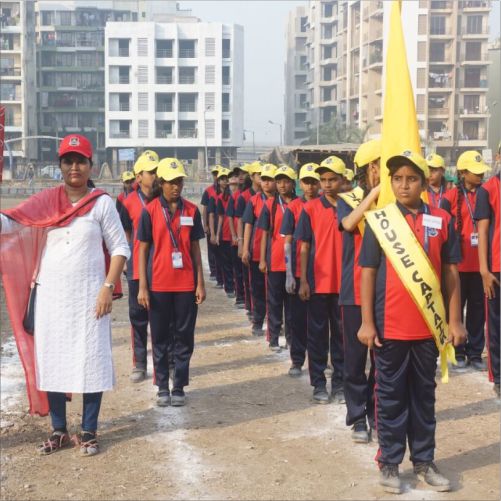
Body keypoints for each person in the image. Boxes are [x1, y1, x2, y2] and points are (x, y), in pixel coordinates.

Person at [0, 134, 129, 456]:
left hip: (90, 299)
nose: (74, 167)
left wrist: (107, 287)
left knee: (92, 361)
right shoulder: (45, 201)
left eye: (80, 161)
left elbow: (120, 248)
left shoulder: (101, 203)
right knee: (53, 361)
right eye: (68, 161)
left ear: (90, 165)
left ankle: (89, 430)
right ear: (59, 166)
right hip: (52, 299)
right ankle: (58, 430)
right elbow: (9, 224)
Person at [358, 149, 465, 494]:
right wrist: (366, 322)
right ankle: (389, 463)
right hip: (389, 327)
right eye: (397, 179)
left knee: (423, 398)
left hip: (428, 329)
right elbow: (367, 273)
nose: (404, 185)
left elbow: (451, 273)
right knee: (390, 398)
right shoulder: (380, 221)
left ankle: (424, 461)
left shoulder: (442, 219)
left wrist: (455, 321)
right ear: (391, 182)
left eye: (412, 179)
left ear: (424, 181)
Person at [137, 158, 206, 407]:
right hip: (159, 285)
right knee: (160, 337)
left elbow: (195, 249)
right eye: (170, 182)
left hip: (186, 284)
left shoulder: (192, 211)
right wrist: (143, 286)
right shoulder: (150, 211)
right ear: (161, 183)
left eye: (179, 181)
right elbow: (143, 250)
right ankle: (162, 387)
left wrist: (200, 282)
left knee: (184, 337)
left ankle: (178, 386)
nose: (175, 186)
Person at [338, 139, 381, 443]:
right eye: (379, 166)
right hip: (353, 290)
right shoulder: (348, 198)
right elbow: (349, 223)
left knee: (381, 360)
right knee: (354, 360)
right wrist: (373, 197)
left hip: (384, 292)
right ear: (369, 168)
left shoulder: (393, 199)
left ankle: (377, 414)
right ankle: (357, 418)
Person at [295, 156, 346, 404]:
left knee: (341, 337)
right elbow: (304, 246)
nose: (326, 184)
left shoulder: (351, 207)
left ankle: (340, 384)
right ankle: (318, 383)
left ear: (342, 180)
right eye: (323, 180)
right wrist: (304, 280)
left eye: (332, 179)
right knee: (317, 336)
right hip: (318, 283)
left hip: (344, 284)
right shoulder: (310, 209)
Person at [441, 151, 490, 371]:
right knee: (456, 311)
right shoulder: (449, 197)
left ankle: (475, 353)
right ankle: (457, 351)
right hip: (457, 267)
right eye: (475, 172)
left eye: (481, 172)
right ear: (462, 173)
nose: (480, 176)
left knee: (478, 312)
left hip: (480, 266)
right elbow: (442, 230)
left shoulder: (485, 194)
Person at [120, 152, 159, 382]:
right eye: (150, 172)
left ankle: (166, 362)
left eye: (156, 172)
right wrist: (126, 262)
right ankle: (140, 364)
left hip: (161, 268)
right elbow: (125, 234)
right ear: (139, 176)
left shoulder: (163, 200)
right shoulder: (128, 203)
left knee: (163, 318)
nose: (154, 176)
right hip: (137, 267)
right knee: (138, 317)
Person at [280, 163, 320, 376]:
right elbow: (287, 241)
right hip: (299, 270)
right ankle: (297, 360)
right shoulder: (294, 207)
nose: (310, 187)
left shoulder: (327, 205)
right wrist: (289, 274)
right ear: (300, 184)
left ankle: (320, 359)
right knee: (298, 320)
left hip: (321, 272)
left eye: (314, 182)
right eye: (306, 182)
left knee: (320, 322)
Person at [257, 165, 297, 351]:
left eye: (286, 181)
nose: (282, 185)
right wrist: (263, 259)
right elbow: (264, 233)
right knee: (274, 303)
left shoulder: (300, 204)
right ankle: (273, 339)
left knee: (292, 305)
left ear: (293, 183)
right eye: (279, 181)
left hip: (294, 263)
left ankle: (291, 339)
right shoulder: (269, 205)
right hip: (275, 261)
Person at [242, 163, 277, 337]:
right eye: (264, 179)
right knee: (257, 290)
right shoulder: (254, 200)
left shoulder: (281, 201)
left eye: (270, 179)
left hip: (276, 255)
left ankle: (275, 324)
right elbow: (248, 225)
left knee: (274, 293)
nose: (266, 183)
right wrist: (245, 248)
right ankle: (257, 321)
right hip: (256, 252)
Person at [474, 169, 500, 398]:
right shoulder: (487, 189)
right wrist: (484, 269)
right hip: (496, 268)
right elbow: (482, 231)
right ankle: (499, 377)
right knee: (496, 324)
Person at [235, 162, 263, 319]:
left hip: (263, 246)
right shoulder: (245, 197)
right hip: (250, 243)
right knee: (250, 280)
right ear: (252, 177)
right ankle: (251, 308)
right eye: (259, 175)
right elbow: (241, 221)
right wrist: (241, 243)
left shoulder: (271, 196)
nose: (263, 178)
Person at [226, 165, 251, 308]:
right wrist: (235, 236)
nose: (241, 176)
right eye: (238, 174)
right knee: (239, 270)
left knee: (248, 273)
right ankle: (240, 296)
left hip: (250, 239)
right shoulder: (235, 196)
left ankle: (248, 300)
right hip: (239, 239)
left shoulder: (252, 195)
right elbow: (230, 217)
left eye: (244, 173)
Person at [209, 167, 235, 298]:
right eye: (222, 179)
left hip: (233, 233)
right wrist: (215, 234)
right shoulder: (217, 197)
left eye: (226, 179)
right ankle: (229, 287)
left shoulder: (235, 196)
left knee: (233, 263)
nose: (225, 181)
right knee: (226, 263)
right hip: (225, 234)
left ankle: (233, 287)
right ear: (218, 181)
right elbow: (217, 216)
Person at [200, 165, 222, 284]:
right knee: (212, 249)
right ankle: (213, 271)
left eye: (218, 174)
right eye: (214, 174)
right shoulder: (208, 191)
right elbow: (205, 210)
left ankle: (220, 273)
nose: (216, 176)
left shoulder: (226, 190)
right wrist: (205, 225)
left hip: (223, 225)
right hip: (211, 223)